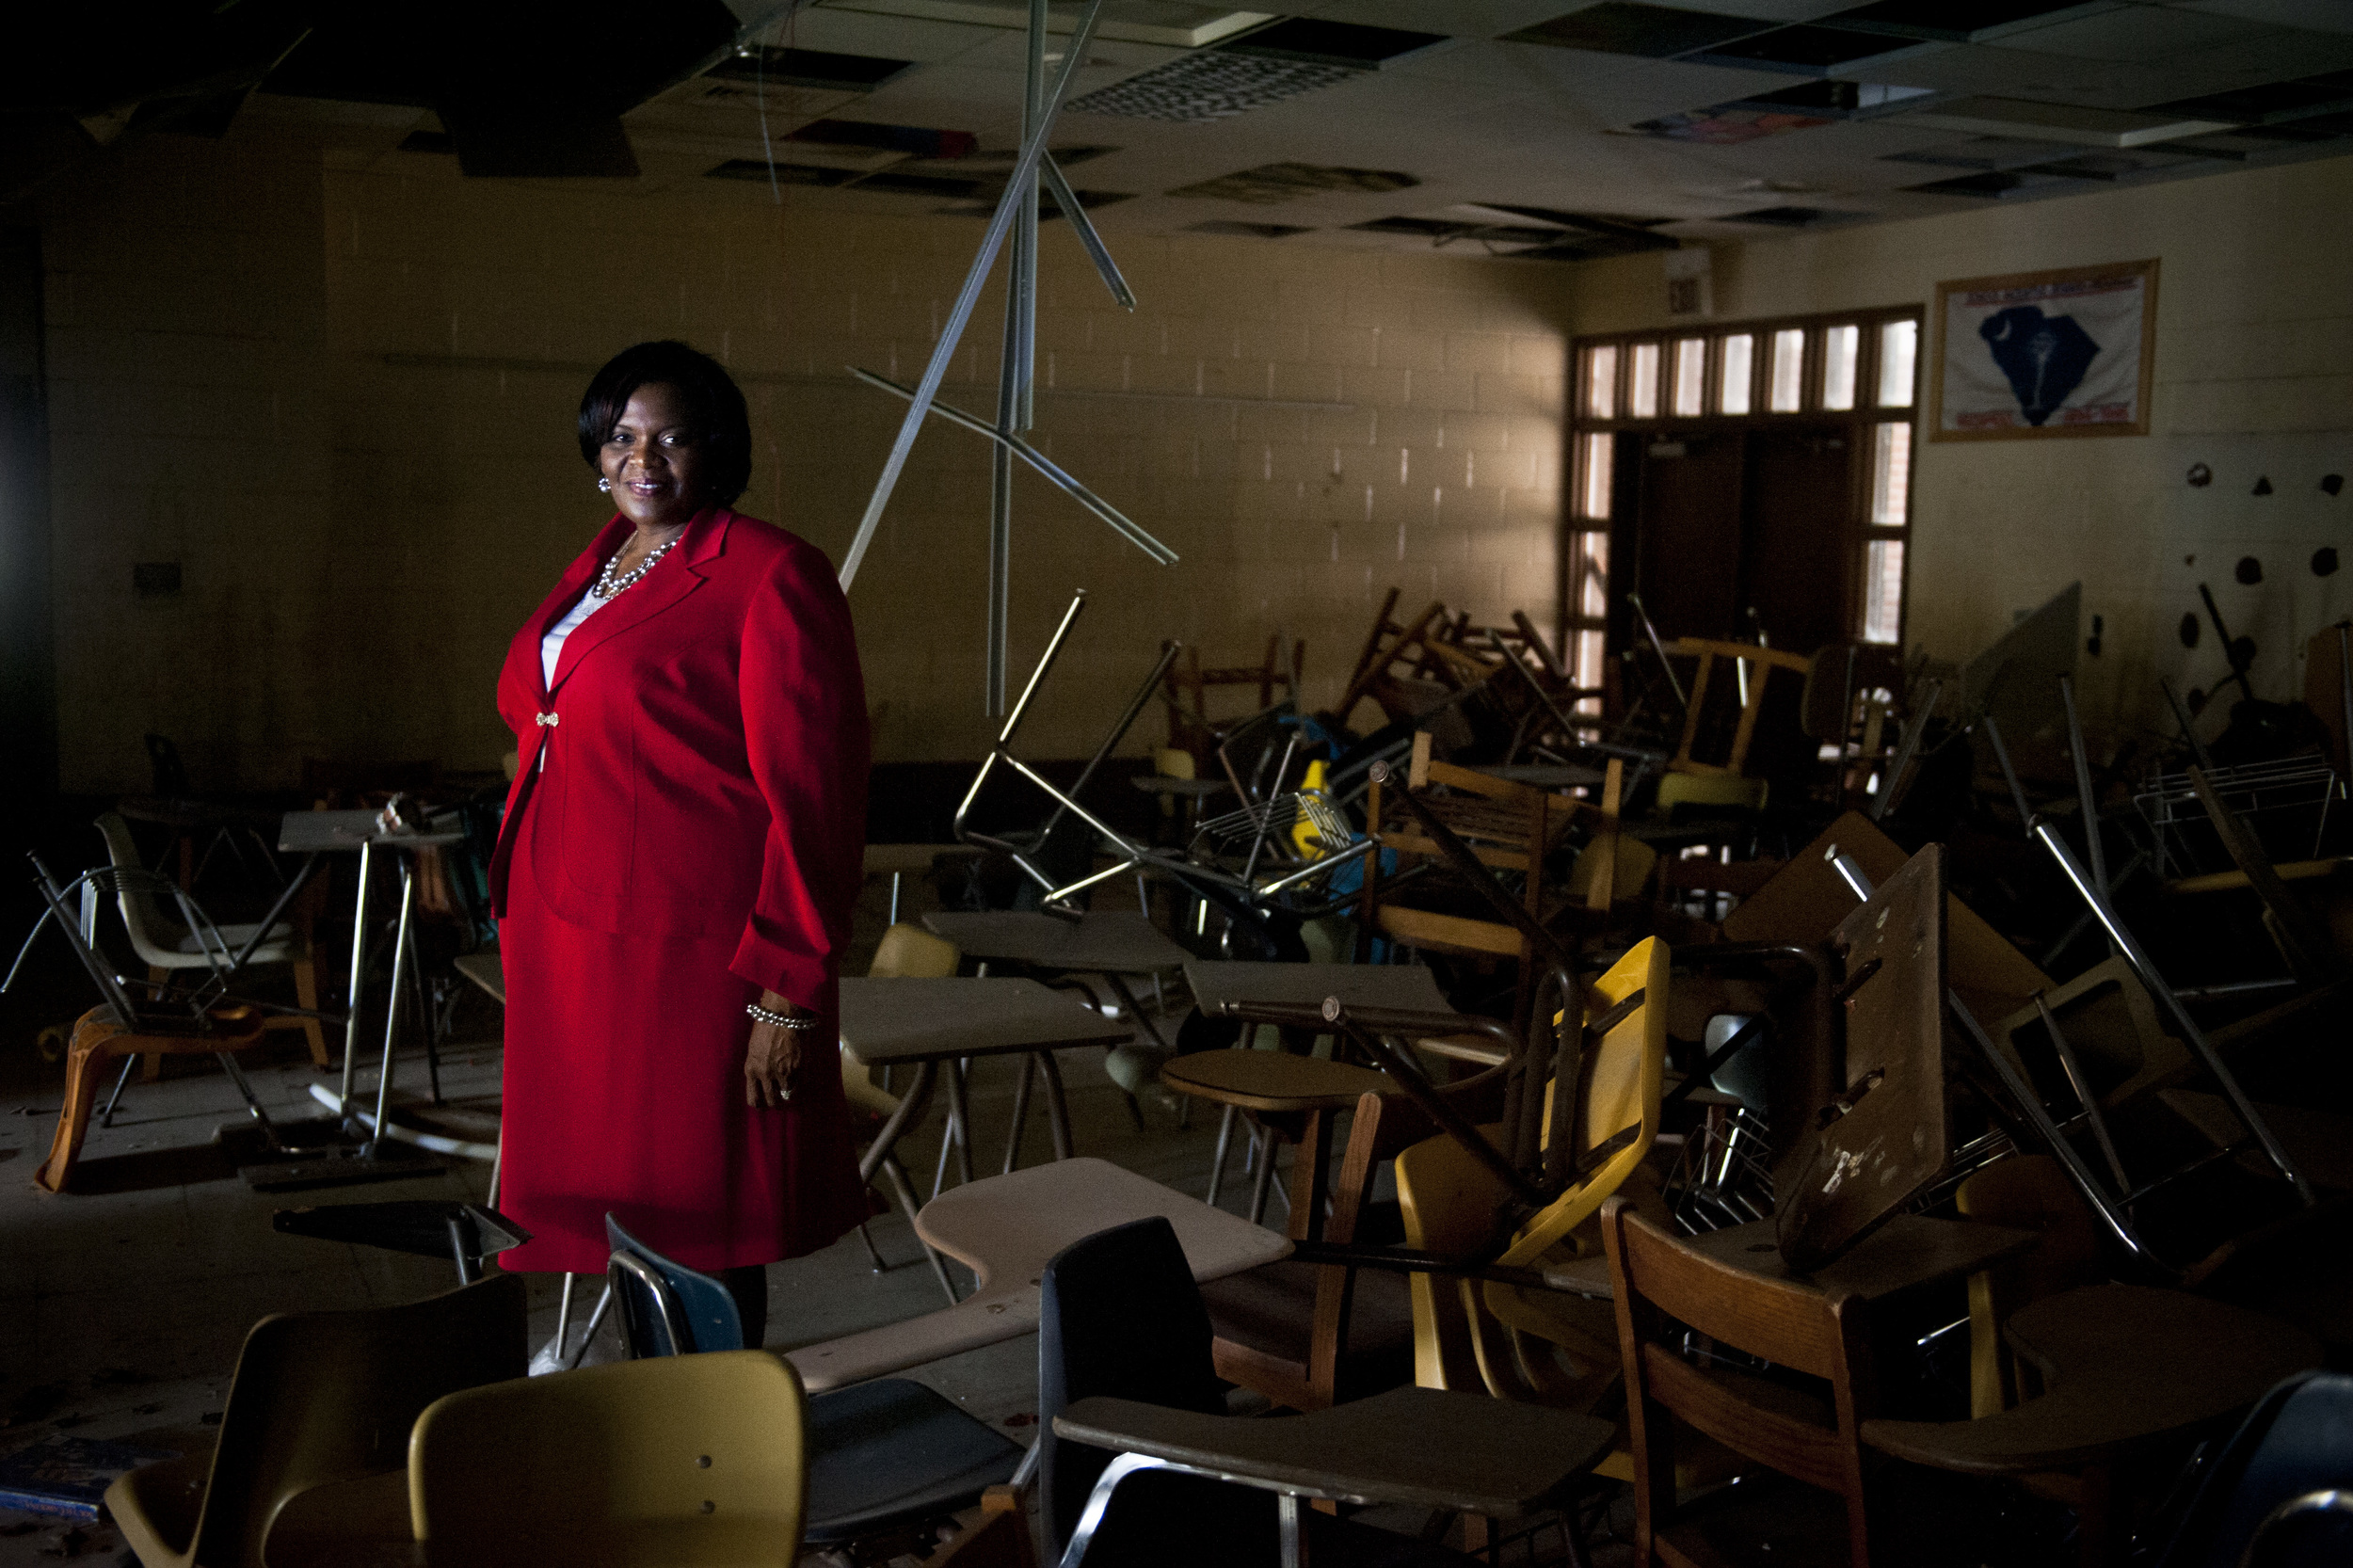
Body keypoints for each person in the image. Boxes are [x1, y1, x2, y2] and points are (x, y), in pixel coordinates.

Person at [487, 339, 871, 1344]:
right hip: (575, 944)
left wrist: (786, 996)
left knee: (702, 1226)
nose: (640, 458)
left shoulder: (768, 574)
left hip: (690, 956)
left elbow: (815, 800)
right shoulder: (597, 566)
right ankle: (653, 1433)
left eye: (671, 436)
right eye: (619, 435)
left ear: (718, 449)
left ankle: (721, 1447)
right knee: (620, 1212)